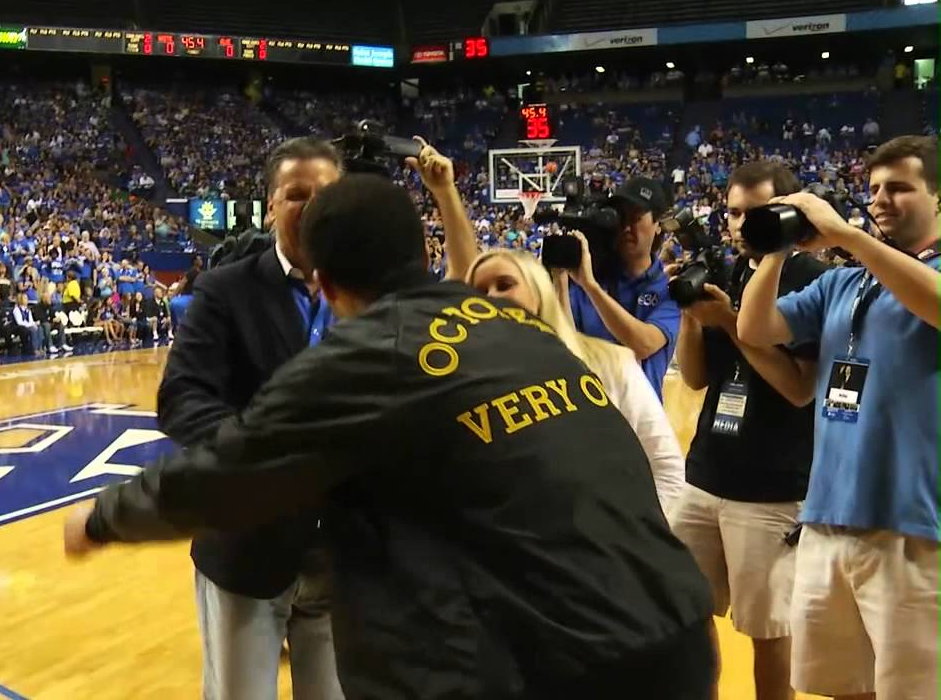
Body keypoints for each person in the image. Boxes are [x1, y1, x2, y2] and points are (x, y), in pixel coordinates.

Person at [64, 173, 715, 699]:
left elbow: (228, 475)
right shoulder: (521, 333)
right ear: (425, 255)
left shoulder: (366, 356)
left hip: (557, 664)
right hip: (675, 631)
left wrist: (104, 518)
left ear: (324, 283)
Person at [153, 135, 486, 700]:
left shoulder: (380, 289)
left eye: (324, 193)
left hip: (348, 554)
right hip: (246, 547)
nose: (310, 206)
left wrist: (446, 194)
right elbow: (182, 396)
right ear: (270, 205)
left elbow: (463, 284)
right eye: (295, 194)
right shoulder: (224, 290)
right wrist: (259, 454)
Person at [738, 135, 940, 700]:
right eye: (874, 188)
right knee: (843, 687)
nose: (881, 199)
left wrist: (847, 235)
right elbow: (755, 331)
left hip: (913, 528)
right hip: (827, 518)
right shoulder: (842, 283)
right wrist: (778, 248)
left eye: (900, 187)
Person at [670, 162, 827, 700]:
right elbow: (693, 378)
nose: (739, 224)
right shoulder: (730, 269)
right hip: (706, 472)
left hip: (772, 486)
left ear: (787, 211)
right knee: (685, 617)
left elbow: (798, 388)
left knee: (767, 632)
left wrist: (731, 325)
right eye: (734, 212)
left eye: (754, 212)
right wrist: (693, 316)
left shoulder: (811, 279)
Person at [466, 249, 685, 517]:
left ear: (538, 293)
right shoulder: (469, 383)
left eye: (505, 285)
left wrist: (636, 537)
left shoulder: (611, 363)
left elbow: (667, 469)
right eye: (478, 291)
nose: (491, 297)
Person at [566, 177, 681, 398]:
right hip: (588, 414)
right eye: (621, 217)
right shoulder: (585, 278)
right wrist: (561, 281)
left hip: (639, 423)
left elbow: (643, 344)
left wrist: (591, 287)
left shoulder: (670, 288)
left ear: (658, 225)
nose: (627, 227)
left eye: (636, 217)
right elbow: (564, 346)